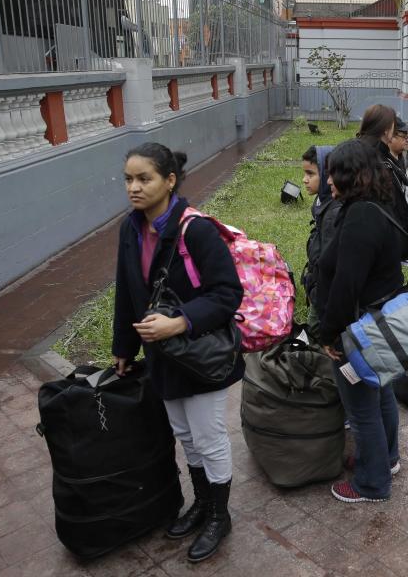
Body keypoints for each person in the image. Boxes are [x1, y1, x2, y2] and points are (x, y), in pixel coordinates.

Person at [112, 143, 244, 563]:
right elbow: (126, 291)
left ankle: (220, 516)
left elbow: (228, 293)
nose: (134, 187)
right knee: (185, 435)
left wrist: (181, 320)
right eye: (129, 179)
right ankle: (202, 504)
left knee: (208, 437)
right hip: (161, 357)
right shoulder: (129, 229)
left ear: (169, 181)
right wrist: (123, 347)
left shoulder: (196, 230)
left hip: (201, 355)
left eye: (144, 178)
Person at [317, 141, 403, 503]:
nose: (328, 181)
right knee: (380, 392)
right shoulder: (381, 204)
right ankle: (387, 458)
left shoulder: (359, 218)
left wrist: (331, 334)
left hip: (357, 329)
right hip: (380, 320)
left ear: (353, 175)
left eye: (335, 173)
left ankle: (372, 482)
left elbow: (346, 283)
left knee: (361, 408)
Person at [357, 105, 408, 257]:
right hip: (376, 237)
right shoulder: (376, 161)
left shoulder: (389, 158)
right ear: (387, 131)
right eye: (401, 133)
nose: (407, 138)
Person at [302, 146, 342, 332]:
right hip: (317, 285)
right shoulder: (321, 202)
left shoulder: (333, 212)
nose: (304, 180)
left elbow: (329, 262)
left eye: (310, 174)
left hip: (324, 293)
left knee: (316, 332)